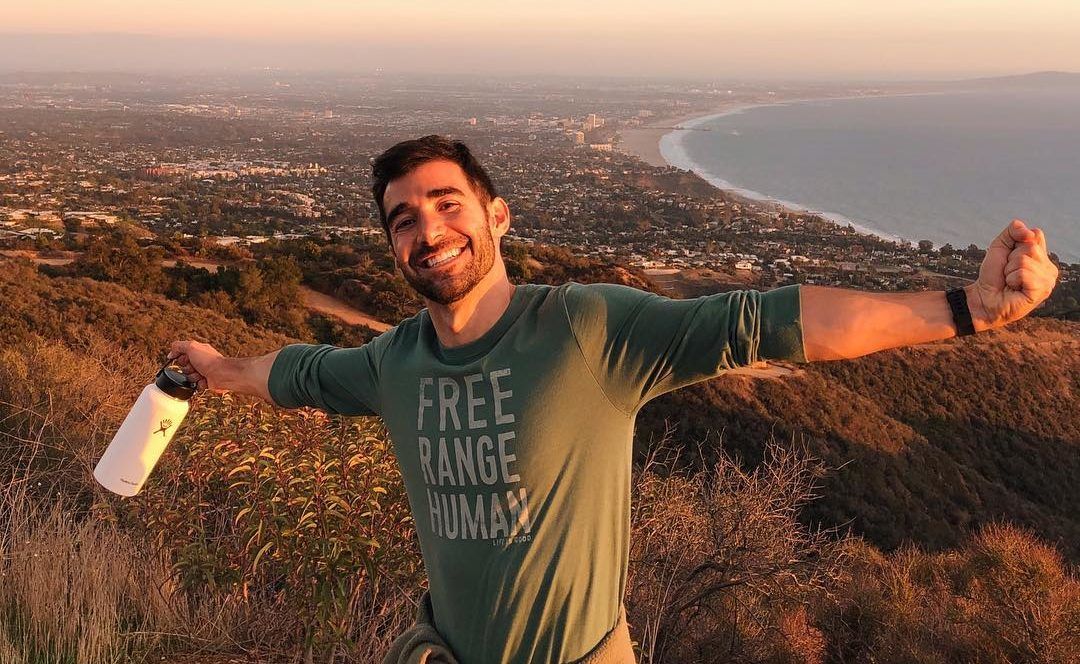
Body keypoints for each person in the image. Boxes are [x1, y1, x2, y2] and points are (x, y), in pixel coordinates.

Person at [168, 135, 1059, 664]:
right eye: (404, 219)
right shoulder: (392, 363)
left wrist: (968, 310)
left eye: (447, 204)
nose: (428, 230)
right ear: (392, 246)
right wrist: (217, 364)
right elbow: (295, 374)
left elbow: (772, 323)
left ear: (497, 216)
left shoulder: (586, 328)